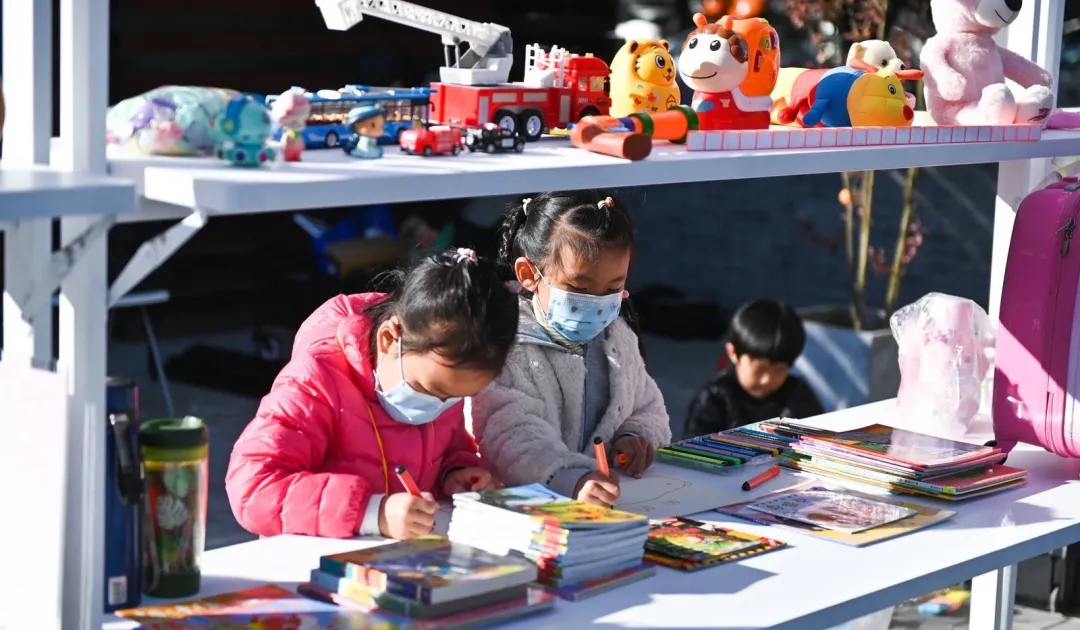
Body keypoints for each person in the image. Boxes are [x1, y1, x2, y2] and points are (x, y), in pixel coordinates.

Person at [225, 248, 519, 540]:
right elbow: (253, 488)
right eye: (432, 391)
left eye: (456, 398)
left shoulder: (438, 372)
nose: (439, 405)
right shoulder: (315, 382)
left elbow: (448, 446)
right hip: (316, 568)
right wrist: (371, 513)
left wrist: (456, 472)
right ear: (390, 338)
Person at [470, 191, 671, 508]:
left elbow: (646, 404)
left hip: (605, 505)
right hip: (529, 511)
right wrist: (569, 477)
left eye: (612, 289)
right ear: (528, 275)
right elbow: (510, 434)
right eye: (578, 287)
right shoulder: (504, 346)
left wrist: (635, 436)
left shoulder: (618, 338)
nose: (596, 302)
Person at [683, 299, 824, 437]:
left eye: (779, 370)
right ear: (733, 353)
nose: (767, 379)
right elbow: (692, 449)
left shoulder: (798, 395)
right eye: (759, 369)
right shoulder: (715, 397)